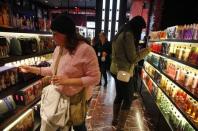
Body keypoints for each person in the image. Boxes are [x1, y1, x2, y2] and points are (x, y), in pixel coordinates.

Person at [20, 13, 100, 131]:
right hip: (59, 100)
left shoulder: (86, 50)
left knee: (79, 126)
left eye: (55, 34)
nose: (53, 37)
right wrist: (32, 69)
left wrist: (67, 81)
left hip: (75, 101)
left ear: (66, 34)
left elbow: (95, 78)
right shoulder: (58, 49)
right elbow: (53, 71)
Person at [110, 16, 150, 130]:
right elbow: (133, 58)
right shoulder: (128, 35)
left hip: (115, 70)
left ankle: (114, 120)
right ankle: (120, 127)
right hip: (124, 73)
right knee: (127, 99)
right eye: (141, 29)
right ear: (137, 27)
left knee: (119, 95)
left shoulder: (121, 32)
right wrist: (146, 50)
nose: (141, 31)